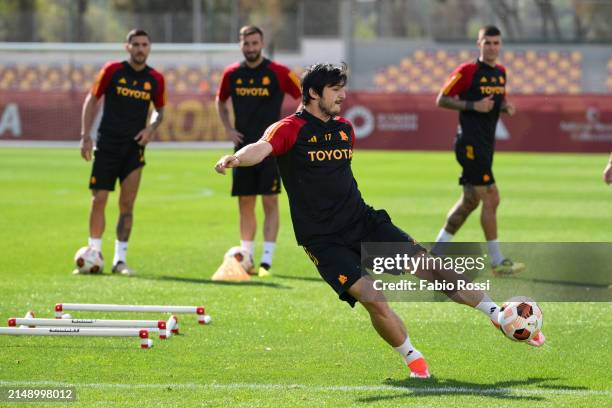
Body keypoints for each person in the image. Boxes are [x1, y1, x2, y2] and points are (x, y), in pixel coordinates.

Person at [215, 63, 545, 379]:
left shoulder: (344, 129)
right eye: (335, 90)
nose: (342, 96)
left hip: (364, 223)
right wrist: (236, 158)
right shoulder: (290, 128)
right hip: (323, 241)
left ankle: (497, 314)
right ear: (313, 93)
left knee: (428, 266)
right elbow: (261, 147)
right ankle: (414, 360)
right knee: (374, 298)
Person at [433, 25, 524, 276]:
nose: (492, 47)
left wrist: (504, 107)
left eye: (496, 43)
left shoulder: (501, 73)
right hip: (470, 144)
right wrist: (473, 105)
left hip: (485, 144)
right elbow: (441, 99)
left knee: (470, 201)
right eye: (488, 43)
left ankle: (436, 253)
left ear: (500, 45)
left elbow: (496, 101)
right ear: (479, 44)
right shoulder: (467, 71)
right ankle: (497, 262)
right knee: (492, 197)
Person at [77, 29, 166, 276]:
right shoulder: (112, 70)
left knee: (127, 204)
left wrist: (151, 128)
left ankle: (120, 260)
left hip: (133, 148)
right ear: (127, 47)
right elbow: (92, 99)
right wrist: (86, 135)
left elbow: (160, 110)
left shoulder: (156, 79)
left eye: (144, 44)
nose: (140, 48)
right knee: (99, 200)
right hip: (107, 145)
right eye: (135, 44)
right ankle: (94, 253)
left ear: (149, 47)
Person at [216, 25, 301, 276]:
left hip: (270, 147)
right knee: (245, 202)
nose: (250, 47)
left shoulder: (279, 72)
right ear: (240, 44)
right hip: (241, 148)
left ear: (261, 43)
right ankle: (247, 258)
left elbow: (304, 95)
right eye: (246, 43)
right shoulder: (231, 73)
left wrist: (291, 126)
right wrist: (228, 128)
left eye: (254, 43)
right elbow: (220, 101)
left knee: (270, 201)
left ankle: (266, 261)